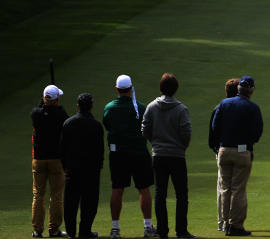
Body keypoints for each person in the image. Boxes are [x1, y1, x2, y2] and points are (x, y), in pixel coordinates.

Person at [141, 73, 194, 239]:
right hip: (177, 155)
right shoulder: (181, 109)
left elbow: (145, 130)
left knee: (160, 194)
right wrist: (181, 146)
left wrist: (155, 142)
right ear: (175, 89)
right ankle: (181, 230)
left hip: (158, 155)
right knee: (181, 195)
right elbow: (186, 133)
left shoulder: (151, 107)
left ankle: (162, 230)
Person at [103, 75, 156, 238]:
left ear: (117, 89)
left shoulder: (110, 107)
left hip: (118, 154)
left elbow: (107, 125)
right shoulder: (140, 107)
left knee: (117, 188)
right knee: (144, 188)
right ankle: (148, 227)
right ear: (131, 89)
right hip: (139, 152)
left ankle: (115, 228)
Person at [210, 75, 263, 236]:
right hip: (242, 151)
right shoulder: (253, 108)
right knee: (238, 189)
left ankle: (225, 223)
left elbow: (214, 127)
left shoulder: (224, 104)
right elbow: (257, 132)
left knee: (225, 188)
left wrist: (220, 144)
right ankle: (236, 225)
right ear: (251, 91)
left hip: (224, 150)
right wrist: (248, 143)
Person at [60, 92, 104, 239]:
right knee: (89, 204)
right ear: (91, 107)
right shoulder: (96, 126)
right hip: (91, 171)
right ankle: (85, 231)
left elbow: (63, 149)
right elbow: (99, 151)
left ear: (78, 106)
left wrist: (65, 167)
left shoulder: (68, 123)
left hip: (72, 170)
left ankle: (71, 232)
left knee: (70, 203)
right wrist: (98, 168)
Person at [32, 84, 69, 239]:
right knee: (56, 195)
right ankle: (53, 229)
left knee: (38, 195)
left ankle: (37, 231)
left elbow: (40, 109)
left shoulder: (35, 114)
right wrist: (55, 105)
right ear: (56, 99)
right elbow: (64, 120)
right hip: (56, 159)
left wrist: (46, 101)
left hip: (38, 159)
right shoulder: (61, 114)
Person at [210, 78, 240, 233]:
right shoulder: (242, 108)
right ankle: (233, 222)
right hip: (239, 151)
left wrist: (216, 149)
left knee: (222, 187)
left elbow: (213, 133)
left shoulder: (218, 108)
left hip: (221, 151)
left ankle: (222, 222)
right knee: (236, 187)